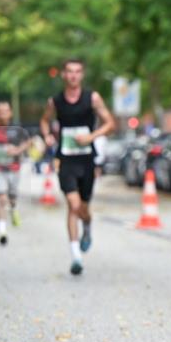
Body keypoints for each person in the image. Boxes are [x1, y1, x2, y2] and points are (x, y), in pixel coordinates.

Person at [39, 58, 115, 275]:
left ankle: (88, 227)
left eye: (77, 72)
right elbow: (44, 121)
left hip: (86, 160)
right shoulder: (55, 101)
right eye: (69, 72)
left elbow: (110, 124)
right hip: (66, 160)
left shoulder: (92, 98)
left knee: (83, 208)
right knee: (72, 206)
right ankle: (76, 256)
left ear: (82, 75)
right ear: (64, 75)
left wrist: (91, 136)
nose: (73, 75)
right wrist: (47, 136)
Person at [0, 103, 30, 245]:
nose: (2, 114)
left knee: (12, 197)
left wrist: (17, 150)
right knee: (2, 199)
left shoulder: (17, 129)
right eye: (0, 111)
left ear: (10, 113)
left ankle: (14, 209)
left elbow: (28, 142)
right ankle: (2, 231)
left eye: (5, 111)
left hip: (13, 169)